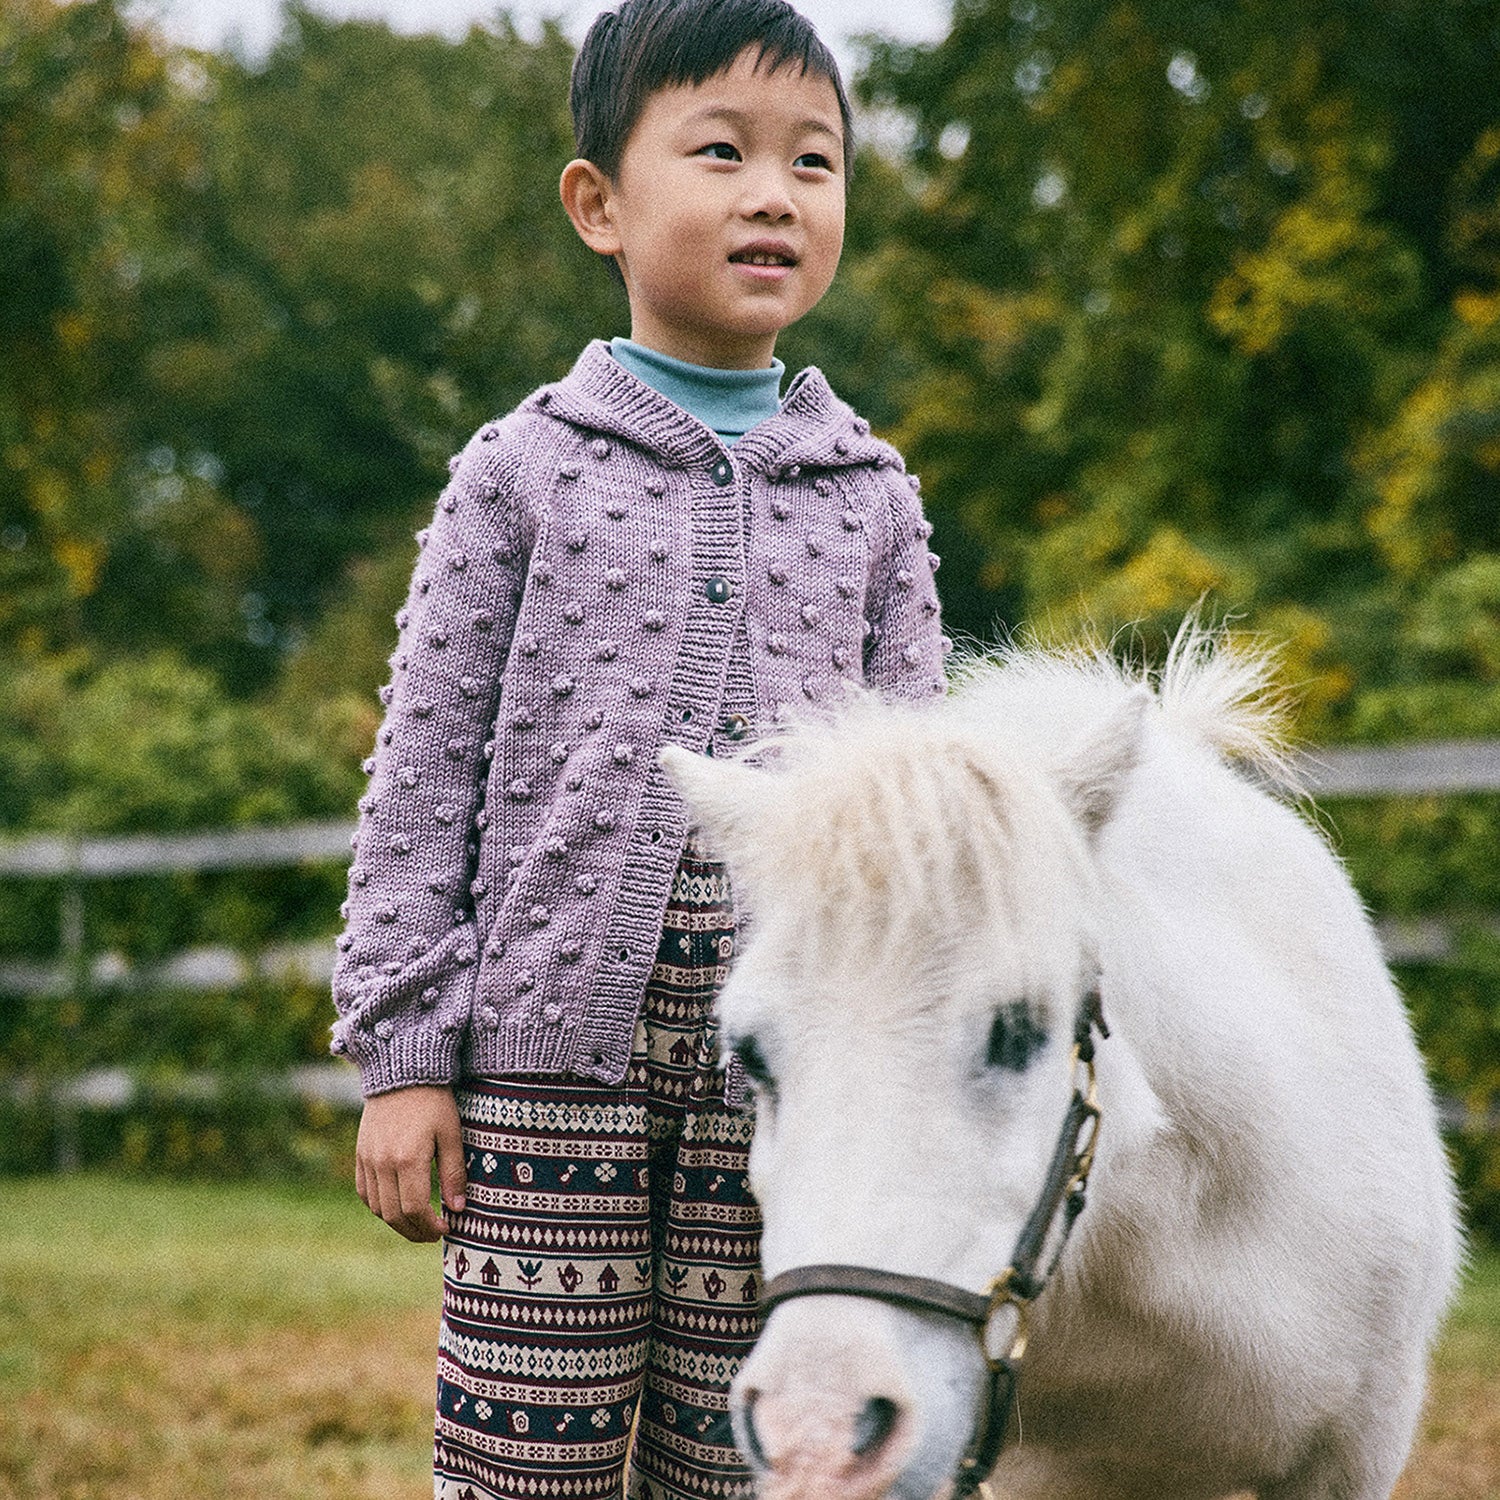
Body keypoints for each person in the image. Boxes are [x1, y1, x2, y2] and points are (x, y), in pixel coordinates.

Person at [330, 0, 946, 1495]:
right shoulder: (521, 473)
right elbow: (421, 780)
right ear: (599, 203)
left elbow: (919, 829)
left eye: (815, 163)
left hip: (785, 1103)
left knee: (745, 1467)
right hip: (547, 1080)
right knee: (524, 1468)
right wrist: (407, 1055)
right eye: (722, 150)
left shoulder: (872, 498)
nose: (773, 194)